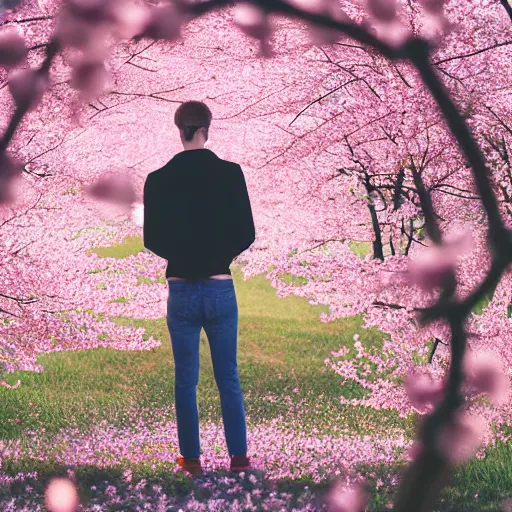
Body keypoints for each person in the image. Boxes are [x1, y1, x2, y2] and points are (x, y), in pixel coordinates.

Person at [143, 100, 256, 477]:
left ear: (179, 129)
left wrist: (185, 256)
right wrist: (216, 256)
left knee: (185, 379)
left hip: (180, 289)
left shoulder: (157, 178)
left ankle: (191, 460)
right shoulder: (230, 173)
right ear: (208, 127)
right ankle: (238, 458)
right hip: (220, 286)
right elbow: (246, 233)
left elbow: (152, 238)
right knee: (228, 377)